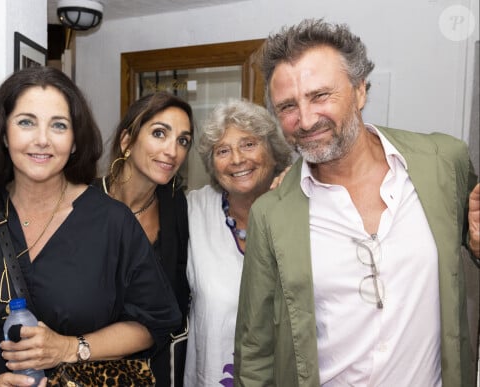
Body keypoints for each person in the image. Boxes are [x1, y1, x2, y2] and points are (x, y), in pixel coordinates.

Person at [234, 18, 480, 386]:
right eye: (287, 106)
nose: (304, 119)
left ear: (361, 90)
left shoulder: (444, 163)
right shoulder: (271, 214)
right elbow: (255, 351)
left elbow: (472, 242)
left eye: (320, 96)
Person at [0, 66, 181, 387]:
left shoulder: (113, 223)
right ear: (4, 134)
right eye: (26, 122)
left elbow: (152, 322)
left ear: (75, 141)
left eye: (59, 125)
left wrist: (70, 347)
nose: (42, 139)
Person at [184, 99, 291, 386]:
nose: (237, 160)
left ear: (273, 151)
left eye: (248, 144)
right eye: (223, 150)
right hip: (211, 374)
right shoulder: (193, 210)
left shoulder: (302, 207)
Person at [93, 91, 194, 387]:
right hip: (94, 370)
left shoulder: (175, 204)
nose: (172, 150)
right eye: (160, 133)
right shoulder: (84, 206)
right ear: (127, 140)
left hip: (160, 368)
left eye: (183, 140)